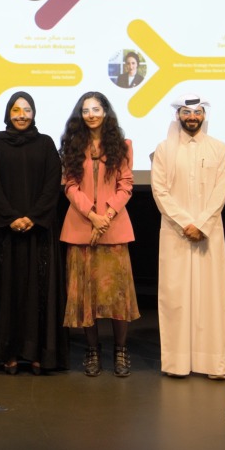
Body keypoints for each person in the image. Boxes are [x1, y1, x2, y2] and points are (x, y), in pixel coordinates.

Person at [0, 91, 67, 375]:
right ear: (8, 113)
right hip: (5, 232)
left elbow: (53, 183)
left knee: (40, 292)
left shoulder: (46, 143)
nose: (22, 115)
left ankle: (39, 353)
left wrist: (33, 218)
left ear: (34, 113)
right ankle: (9, 353)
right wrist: (11, 218)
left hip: (39, 232)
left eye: (27, 110)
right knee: (7, 292)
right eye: (16, 110)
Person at [150, 94, 225, 380]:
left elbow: (221, 191)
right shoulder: (164, 150)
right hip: (176, 234)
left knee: (211, 299)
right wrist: (186, 223)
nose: (192, 117)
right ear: (178, 116)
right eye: (186, 112)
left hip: (209, 234)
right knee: (176, 299)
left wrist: (202, 224)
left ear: (204, 115)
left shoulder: (220, 149)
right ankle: (177, 364)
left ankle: (215, 364)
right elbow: (160, 191)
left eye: (197, 112)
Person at [59, 91, 139, 378]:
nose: (91, 115)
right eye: (85, 110)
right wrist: (92, 216)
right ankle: (92, 350)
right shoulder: (72, 145)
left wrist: (106, 216)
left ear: (105, 112)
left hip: (113, 227)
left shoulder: (122, 145)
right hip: (81, 226)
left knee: (118, 295)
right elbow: (69, 185)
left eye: (95, 109)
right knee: (85, 296)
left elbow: (126, 185)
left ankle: (121, 349)